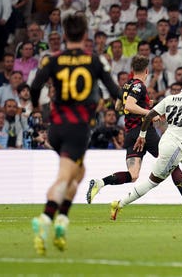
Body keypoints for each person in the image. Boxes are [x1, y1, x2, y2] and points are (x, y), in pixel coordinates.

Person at [29, 14, 121, 255]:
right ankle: (46, 220)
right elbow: (114, 91)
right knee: (64, 177)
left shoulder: (52, 60)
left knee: (78, 173)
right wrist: (114, 105)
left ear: (64, 34)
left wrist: (37, 107)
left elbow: (35, 86)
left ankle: (62, 221)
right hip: (77, 128)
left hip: (55, 128)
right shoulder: (95, 60)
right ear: (85, 34)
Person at [110, 70, 182, 219]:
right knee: (153, 181)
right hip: (175, 146)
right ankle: (119, 204)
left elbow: (149, 115)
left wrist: (142, 135)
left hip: (174, 142)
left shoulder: (170, 98)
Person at [86, 56, 182, 211]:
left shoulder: (126, 85)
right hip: (145, 133)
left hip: (130, 134)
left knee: (133, 175)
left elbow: (118, 106)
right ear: (146, 71)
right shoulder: (139, 86)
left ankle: (100, 182)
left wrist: (142, 105)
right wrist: (149, 112)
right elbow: (129, 105)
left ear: (132, 70)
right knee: (172, 164)